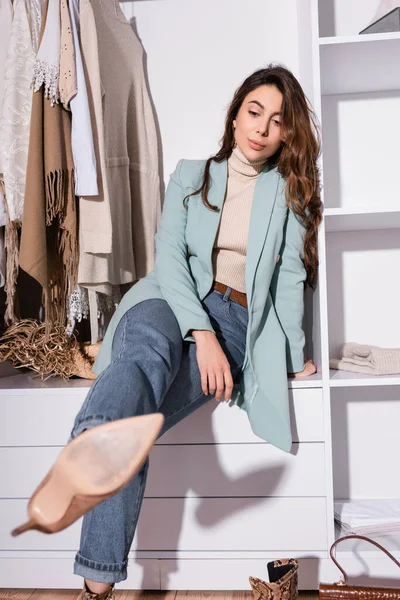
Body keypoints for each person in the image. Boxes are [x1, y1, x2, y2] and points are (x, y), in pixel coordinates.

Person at [17, 64, 323, 600]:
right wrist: (199, 332)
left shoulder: (287, 194)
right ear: (234, 116)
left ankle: (95, 585)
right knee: (143, 359)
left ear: (284, 136)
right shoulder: (190, 175)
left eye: (276, 121)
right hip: (167, 298)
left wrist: (294, 355)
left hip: (236, 323)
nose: (261, 127)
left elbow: (291, 278)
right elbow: (172, 260)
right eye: (254, 112)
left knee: (128, 421)